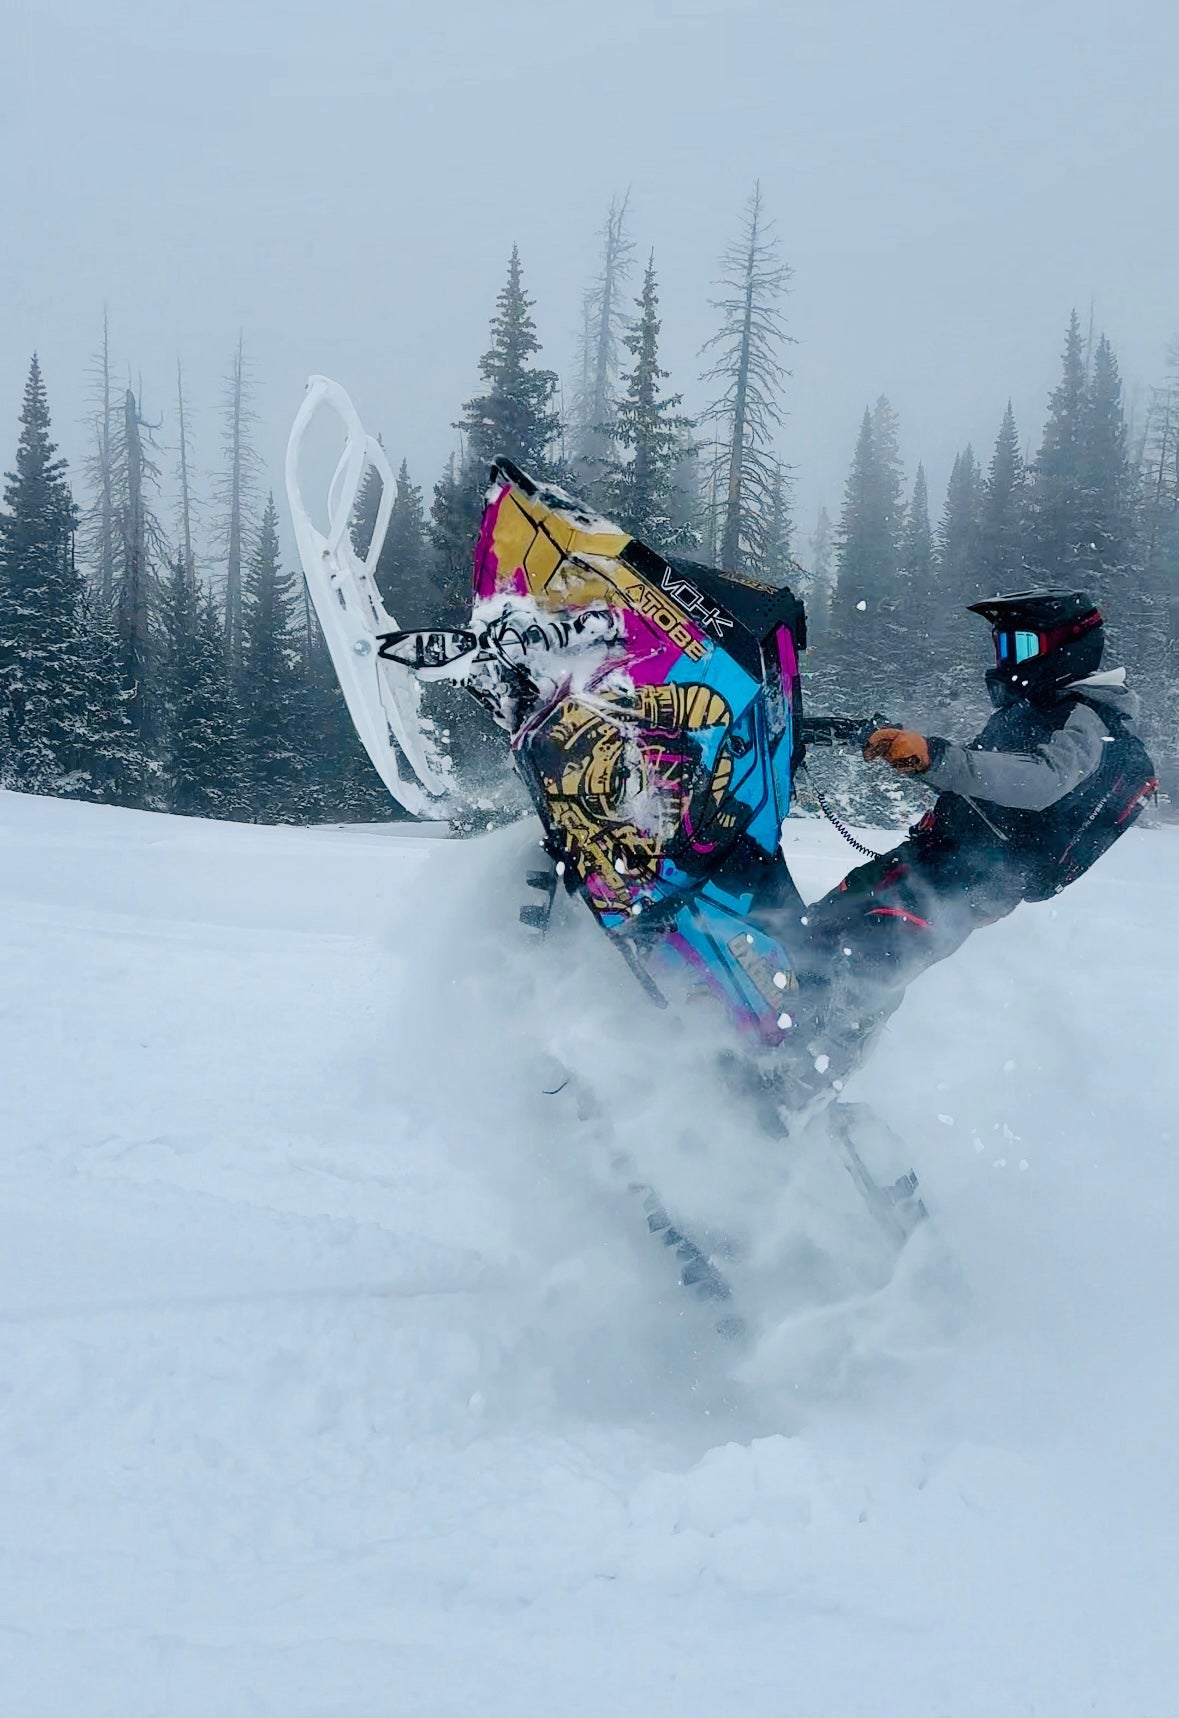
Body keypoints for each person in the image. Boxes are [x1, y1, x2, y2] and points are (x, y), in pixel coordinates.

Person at [792, 590, 1156, 1076]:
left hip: (972, 884)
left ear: (1067, 646)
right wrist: (888, 739)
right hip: (932, 856)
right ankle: (773, 1036)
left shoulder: (1090, 717)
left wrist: (937, 757)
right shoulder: (1032, 709)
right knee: (819, 929)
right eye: (1000, 647)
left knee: (869, 965)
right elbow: (986, 771)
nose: (1006, 661)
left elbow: (1042, 781)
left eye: (1019, 647)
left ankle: (808, 1084)